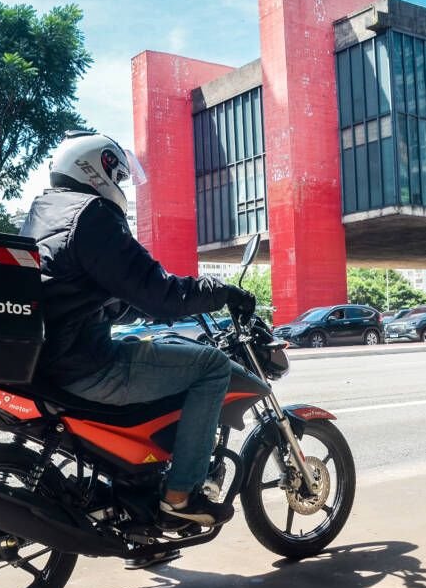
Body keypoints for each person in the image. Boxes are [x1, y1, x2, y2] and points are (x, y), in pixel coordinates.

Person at [20, 130, 256, 529]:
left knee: (146, 343)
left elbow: (78, 290)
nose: (121, 185)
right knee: (212, 367)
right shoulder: (93, 216)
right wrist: (222, 292)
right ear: (97, 168)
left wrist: (132, 307)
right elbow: (159, 292)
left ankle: (137, 497)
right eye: (118, 173)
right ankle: (180, 496)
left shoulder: (46, 211)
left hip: (49, 355)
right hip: (83, 365)